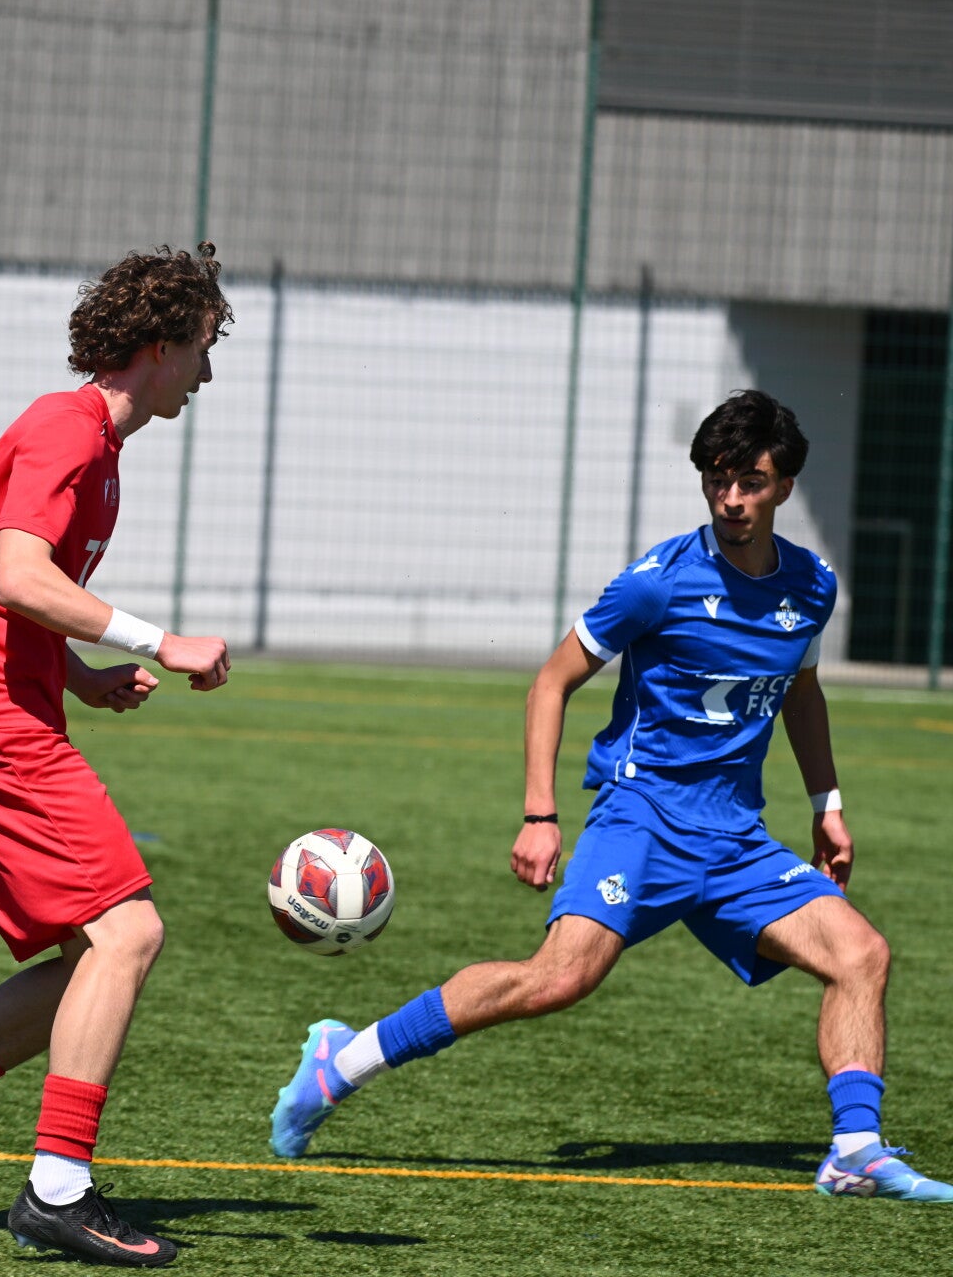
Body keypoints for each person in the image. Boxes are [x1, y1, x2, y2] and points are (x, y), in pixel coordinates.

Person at [269, 389, 952, 1202]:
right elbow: (551, 683)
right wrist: (540, 813)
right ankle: (342, 1061)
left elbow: (800, 694)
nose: (732, 499)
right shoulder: (657, 583)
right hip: (643, 818)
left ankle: (855, 1151)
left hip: (735, 838)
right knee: (559, 978)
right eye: (718, 479)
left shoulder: (811, 586)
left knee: (861, 954)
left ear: (785, 487)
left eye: (752, 482)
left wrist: (826, 804)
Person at [0, 244, 234, 1266]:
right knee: (130, 933)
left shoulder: (90, 443)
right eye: (203, 348)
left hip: (2, 715)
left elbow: (7, 591)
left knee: (90, 962)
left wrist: (80, 676)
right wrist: (160, 640)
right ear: (159, 345)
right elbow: (19, 576)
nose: (206, 373)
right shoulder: (68, 431)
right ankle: (57, 1189)